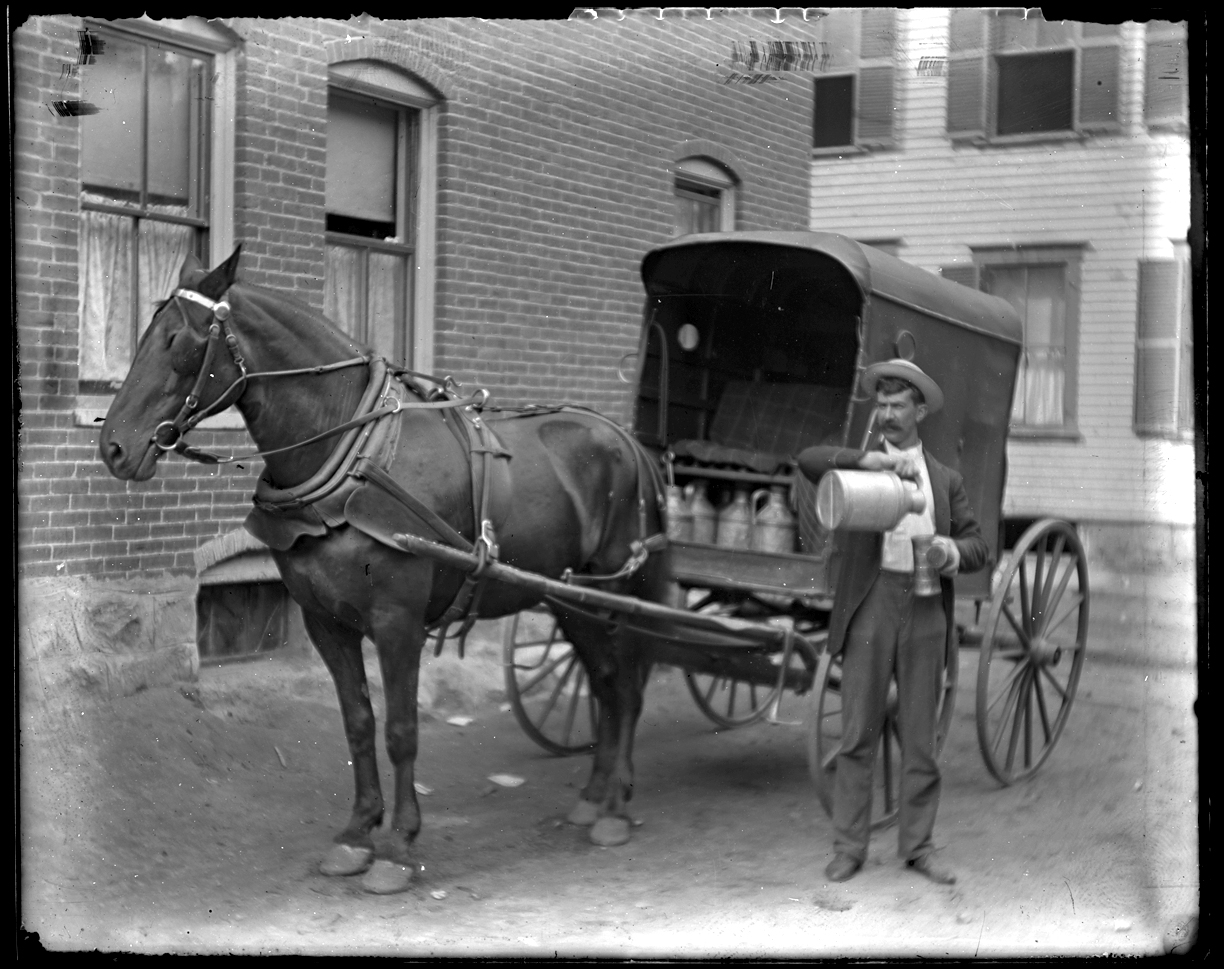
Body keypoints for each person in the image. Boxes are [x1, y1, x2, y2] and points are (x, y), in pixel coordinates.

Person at [797, 359, 989, 886]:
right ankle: (849, 847)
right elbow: (808, 459)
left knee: (921, 737)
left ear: (919, 411)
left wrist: (953, 550)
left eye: (898, 405)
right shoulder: (862, 467)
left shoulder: (946, 479)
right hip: (872, 603)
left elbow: (979, 545)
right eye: (880, 404)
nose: (887, 413)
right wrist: (868, 461)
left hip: (927, 608)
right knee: (858, 730)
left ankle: (919, 847)